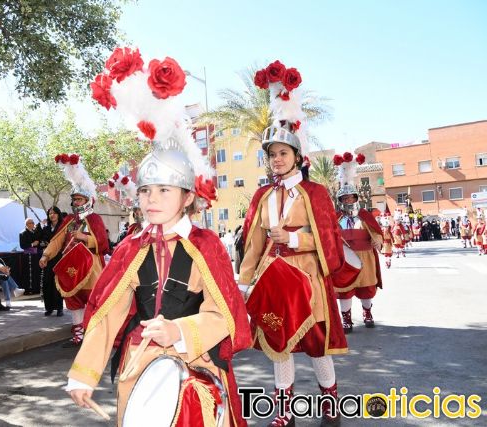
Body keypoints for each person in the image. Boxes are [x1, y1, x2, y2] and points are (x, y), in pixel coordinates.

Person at [67, 50, 250, 426]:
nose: (151, 199)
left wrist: (179, 331)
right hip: (139, 363)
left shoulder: (206, 245)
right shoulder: (132, 248)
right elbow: (107, 314)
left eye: (164, 191)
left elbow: (224, 314)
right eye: (147, 190)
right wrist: (83, 374)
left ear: (188, 198)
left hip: (195, 361)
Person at [238, 60, 346, 426]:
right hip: (273, 276)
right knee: (278, 342)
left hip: (307, 277)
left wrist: (295, 237)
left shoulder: (314, 193)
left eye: (283, 153)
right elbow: (252, 242)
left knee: (316, 342)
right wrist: (244, 279)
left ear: (297, 156)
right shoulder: (261, 195)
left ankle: (329, 400)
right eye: (272, 154)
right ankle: (284, 411)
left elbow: (329, 239)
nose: (277, 159)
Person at [40, 155, 109, 346]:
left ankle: (95, 334)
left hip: (92, 268)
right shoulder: (69, 220)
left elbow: (103, 244)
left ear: (87, 200)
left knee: (93, 301)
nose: (76, 202)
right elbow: (57, 239)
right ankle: (78, 335)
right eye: (75, 199)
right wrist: (46, 255)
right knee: (73, 301)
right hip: (71, 267)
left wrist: (84, 237)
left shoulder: (95, 219)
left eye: (79, 199)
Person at [332, 152, 383, 334]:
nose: (348, 201)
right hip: (344, 259)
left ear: (356, 198)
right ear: (340, 201)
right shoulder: (335, 218)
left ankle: (367, 313)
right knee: (344, 289)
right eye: (344, 199)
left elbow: (377, 233)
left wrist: (377, 241)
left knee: (367, 288)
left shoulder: (365, 215)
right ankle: (346, 318)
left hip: (366, 257)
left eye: (351, 198)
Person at [38, 206, 65, 316]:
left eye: (54, 213)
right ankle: (48, 307)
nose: (52, 215)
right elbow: (41, 241)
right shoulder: (46, 228)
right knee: (47, 282)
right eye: (50, 213)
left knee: (57, 283)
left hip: (59, 257)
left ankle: (59, 308)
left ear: (58, 214)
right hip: (48, 258)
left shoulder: (63, 227)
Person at [19, 218, 42, 295]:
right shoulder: (23, 233)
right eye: (30, 223)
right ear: (27, 224)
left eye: (33, 222)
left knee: (36, 271)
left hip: (36, 255)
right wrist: (32, 244)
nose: (32, 224)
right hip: (28, 255)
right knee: (29, 273)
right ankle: (29, 289)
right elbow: (22, 246)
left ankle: (36, 288)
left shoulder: (34, 232)